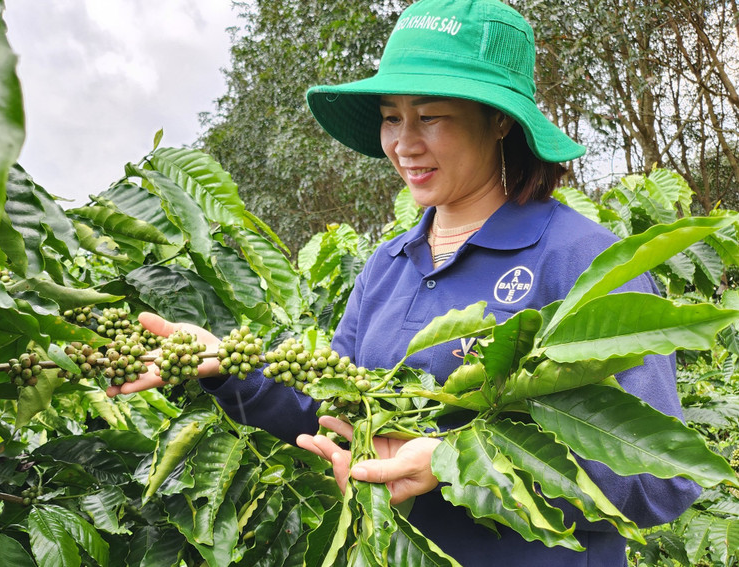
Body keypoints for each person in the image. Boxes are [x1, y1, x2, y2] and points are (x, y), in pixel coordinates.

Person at [109, 0, 701, 564]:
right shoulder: (388, 265)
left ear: (499, 121)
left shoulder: (578, 259)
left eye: (431, 117)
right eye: (392, 117)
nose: (403, 143)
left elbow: (660, 476)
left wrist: (455, 464)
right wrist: (226, 367)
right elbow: (333, 401)